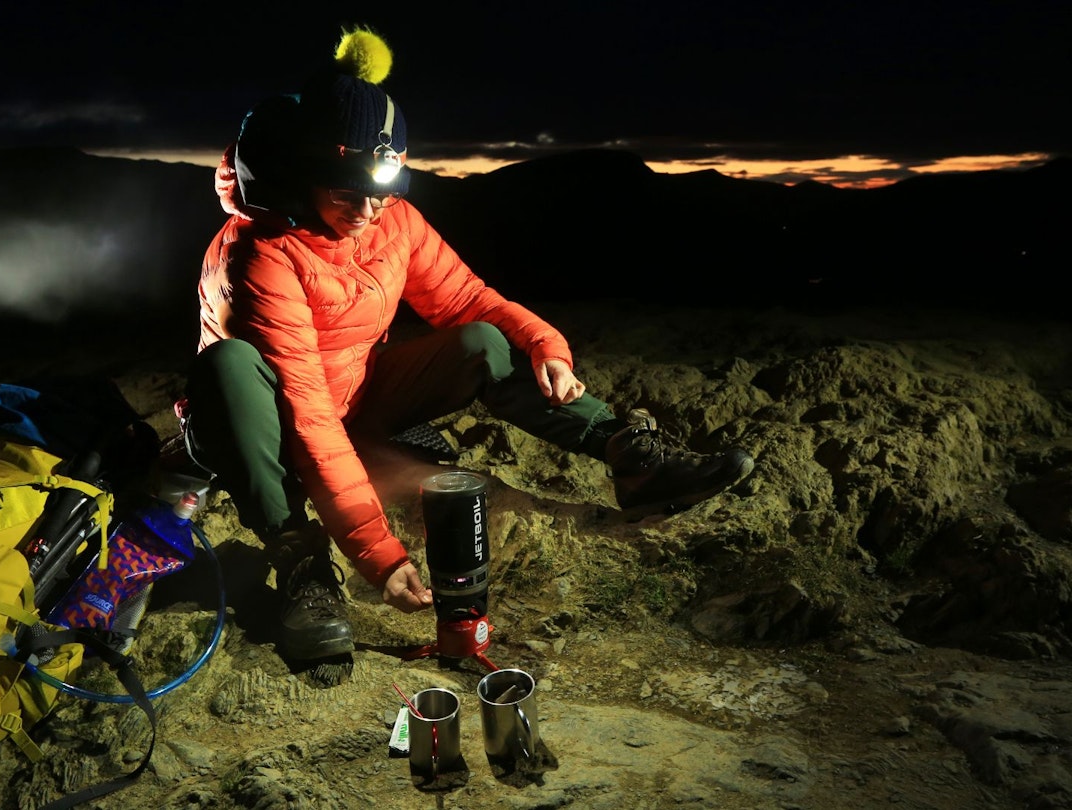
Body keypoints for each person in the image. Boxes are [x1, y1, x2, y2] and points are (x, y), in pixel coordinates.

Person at [185, 27, 754, 662]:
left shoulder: (388, 218)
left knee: (485, 340)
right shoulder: (259, 254)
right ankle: (299, 559)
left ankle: (631, 458)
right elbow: (305, 411)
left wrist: (545, 344)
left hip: (352, 398)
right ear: (298, 178)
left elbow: (464, 298)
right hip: (264, 427)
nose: (370, 210)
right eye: (348, 192)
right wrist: (379, 555)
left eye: (382, 190)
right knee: (231, 365)